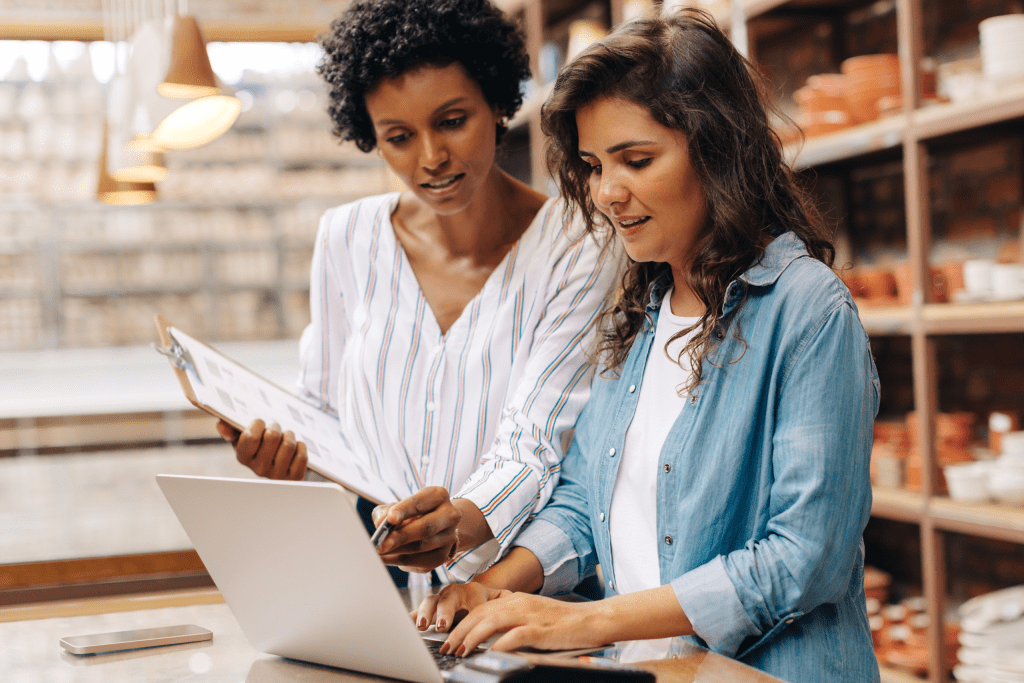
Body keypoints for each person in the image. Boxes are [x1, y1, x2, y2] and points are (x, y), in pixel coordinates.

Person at [413, 9, 880, 682]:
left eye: (636, 160)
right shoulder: (640, 309)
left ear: (717, 150)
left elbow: (803, 557)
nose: (607, 192)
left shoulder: (807, 311)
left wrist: (587, 619)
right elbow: (584, 501)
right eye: (594, 165)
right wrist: (497, 585)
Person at [216, 0, 621, 588]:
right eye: (399, 136)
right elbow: (324, 412)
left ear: (497, 102)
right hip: (372, 585)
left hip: (516, 590)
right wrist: (286, 456)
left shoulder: (579, 244)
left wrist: (460, 521)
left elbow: (540, 436)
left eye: (453, 121)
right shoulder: (346, 238)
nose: (430, 158)